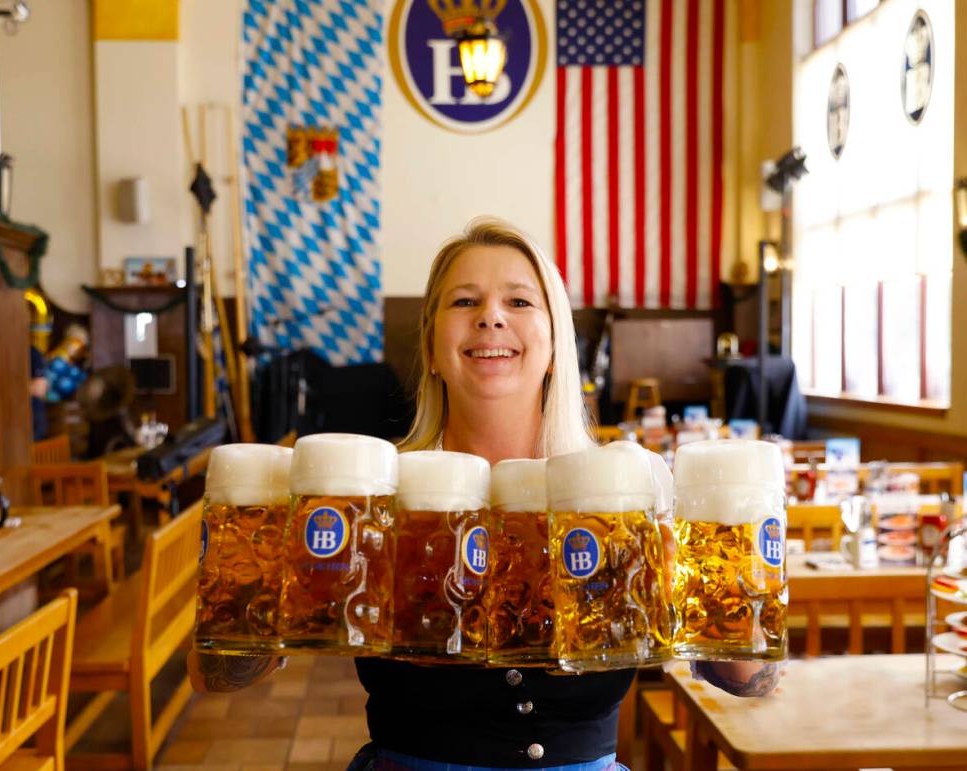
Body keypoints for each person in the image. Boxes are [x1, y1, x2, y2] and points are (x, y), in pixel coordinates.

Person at [189, 218, 782, 768]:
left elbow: (747, 678)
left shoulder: (629, 490)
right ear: (430, 348)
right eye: (465, 301)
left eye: (519, 301)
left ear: (554, 345)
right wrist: (269, 594)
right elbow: (212, 676)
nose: (490, 317)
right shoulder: (368, 488)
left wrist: (710, 592)